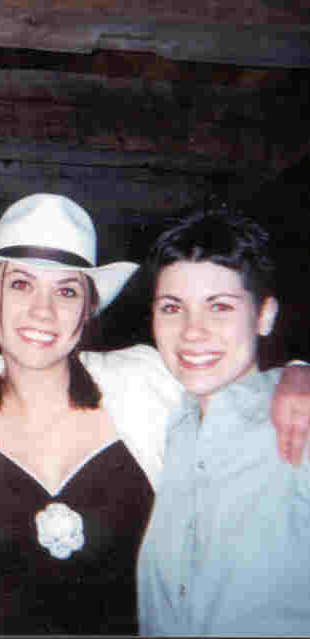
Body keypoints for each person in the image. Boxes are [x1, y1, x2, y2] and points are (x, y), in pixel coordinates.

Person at [0, 194, 310, 635]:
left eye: (67, 290)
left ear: (89, 306)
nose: (43, 310)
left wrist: (298, 373)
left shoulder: (145, 381)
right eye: (20, 284)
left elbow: (231, 378)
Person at [137, 208, 310, 635]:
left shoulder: (299, 424)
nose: (192, 331)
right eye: (173, 307)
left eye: (219, 307)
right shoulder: (166, 419)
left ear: (265, 315)